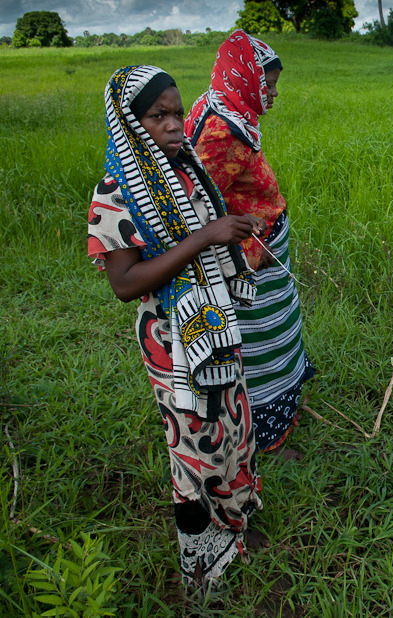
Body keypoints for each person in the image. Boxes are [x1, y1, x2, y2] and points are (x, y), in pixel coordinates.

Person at [87, 65, 265, 595]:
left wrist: (231, 241)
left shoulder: (185, 170)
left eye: (178, 112)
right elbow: (124, 282)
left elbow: (208, 235)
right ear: (129, 122)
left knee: (232, 424)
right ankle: (201, 565)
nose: (173, 125)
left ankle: (235, 527)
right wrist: (207, 237)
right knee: (194, 439)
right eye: (157, 115)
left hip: (213, 322)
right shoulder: (116, 191)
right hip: (170, 338)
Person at [185, 30, 315, 460]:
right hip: (248, 257)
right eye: (269, 83)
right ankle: (265, 435)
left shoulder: (223, 106)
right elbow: (194, 205)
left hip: (260, 245)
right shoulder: (224, 133)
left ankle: (275, 416)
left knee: (274, 330)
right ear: (244, 77)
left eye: (275, 84)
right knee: (260, 346)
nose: (273, 93)